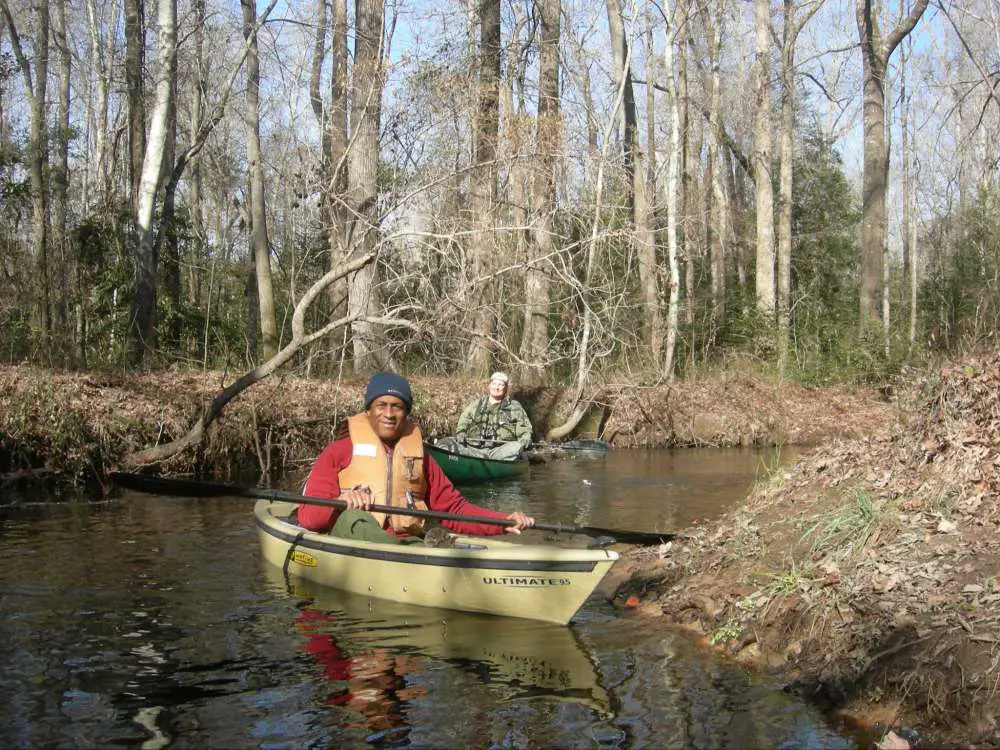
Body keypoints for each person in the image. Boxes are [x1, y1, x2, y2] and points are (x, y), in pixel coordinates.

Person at [298, 371, 534, 544]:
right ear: (368, 411)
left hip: (403, 543)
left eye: (397, 406)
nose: (389, 414)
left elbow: (455, 510)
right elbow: (310, 519)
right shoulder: (338, 451)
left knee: (430, 541)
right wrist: (341, 499)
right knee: (354, 518)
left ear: (407, 413)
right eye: (381, 405)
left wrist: (503, 521)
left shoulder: (422, 458)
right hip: (353, 541)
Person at [437, 372, 532, 461]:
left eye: (501, 385)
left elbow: (524, 427)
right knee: (446, 443)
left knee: (516, 447)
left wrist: (525, 438)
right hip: (474, 450)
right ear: (489, 386)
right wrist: (461, 432)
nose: (497, 387)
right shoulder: (477, 404)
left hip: (500, 452)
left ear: (506, 388)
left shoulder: (514, 406)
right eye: (494, 384)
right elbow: (464, 419)